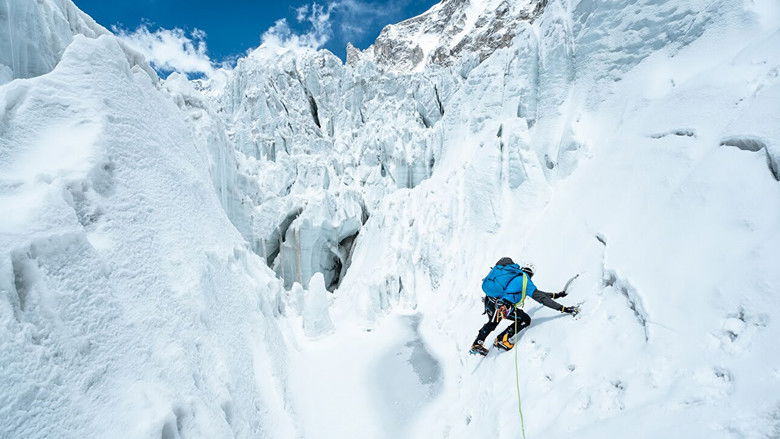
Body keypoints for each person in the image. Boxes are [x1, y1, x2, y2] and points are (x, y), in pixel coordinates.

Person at [470, 257, 579, 356]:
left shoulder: (513, 275)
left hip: (490, 300)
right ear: (532, 274)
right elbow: (540, 297)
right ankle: (502, 339)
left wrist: (556, 295)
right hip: (503, 306)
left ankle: (477, 343)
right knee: (525, 319)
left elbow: (538, 293)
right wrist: (563, 308)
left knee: (493, 322)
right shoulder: (526, 281)